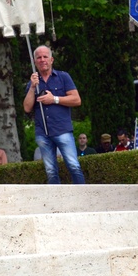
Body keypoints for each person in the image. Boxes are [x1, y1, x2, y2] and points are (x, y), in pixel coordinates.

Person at [23, 45, 85, 184]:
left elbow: (76, 100)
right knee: (50, 171)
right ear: (34, 61)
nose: (42, 60)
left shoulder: (63, 77)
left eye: (45, 57)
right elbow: (27, 108)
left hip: (62, 129)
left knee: (73, 166)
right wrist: (33, 87)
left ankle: (83, 199)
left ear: (52, 60)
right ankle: (56, 203)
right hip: (42, 132)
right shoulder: (33, 82)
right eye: (39, 57)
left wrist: (54, 99)